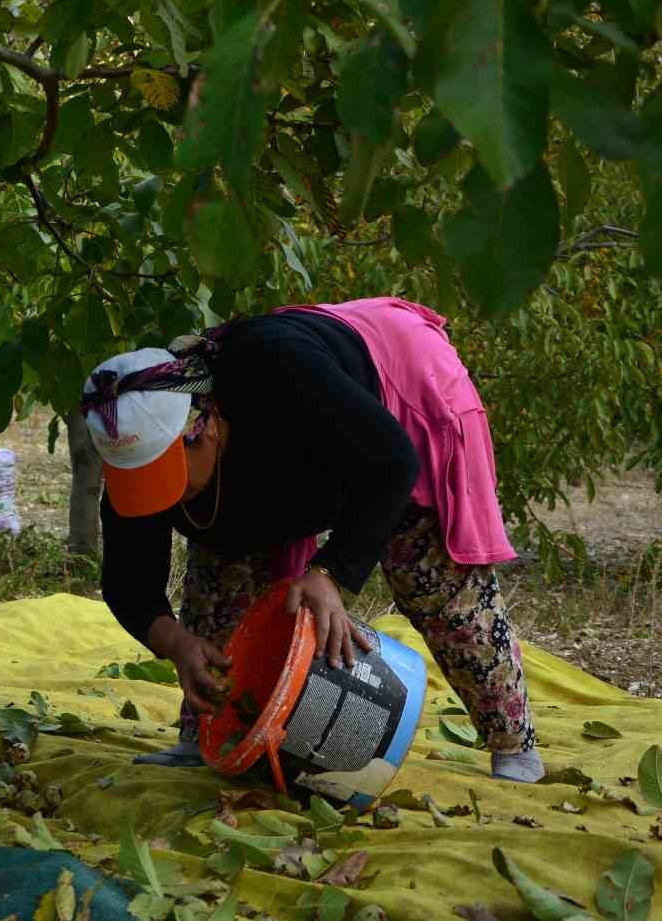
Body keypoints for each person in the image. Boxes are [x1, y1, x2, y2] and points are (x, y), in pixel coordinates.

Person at [83, 296, 543, 783]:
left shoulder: (281, 371)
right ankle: (212, 736)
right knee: (222, 592)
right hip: (281, 468)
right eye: (143, 479)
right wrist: (176, 644)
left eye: (168, 475)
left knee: (434, 582)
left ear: (207, 424)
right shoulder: (132, 441)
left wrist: (331, 572)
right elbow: (128, 579)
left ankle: (514, 747)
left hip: (391, 398)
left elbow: (390, 462)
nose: (162, 497)